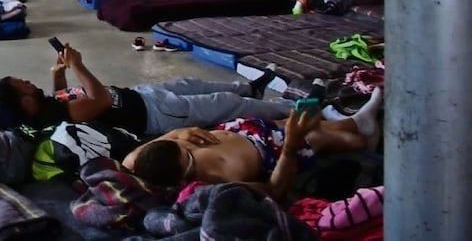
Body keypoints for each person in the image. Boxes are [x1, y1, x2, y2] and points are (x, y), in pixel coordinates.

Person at [125, 88, 383, 200]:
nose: (191, 148)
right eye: (189, 157)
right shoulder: (216, 186)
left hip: (248, 131)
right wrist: (291, 146)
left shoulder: (139, 161)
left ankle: (355, 123)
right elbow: (274, 190)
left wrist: (178, 134)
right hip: (273, 152)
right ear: (182, 181)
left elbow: (138, 155)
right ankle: (362, 132)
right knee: (323, 137)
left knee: (301, 123)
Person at [0, 44, 290, 138]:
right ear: (25, 102)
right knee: (224, 103)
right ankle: (289, 109)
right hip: (156, 113)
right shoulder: (63, 116)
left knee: (192, 84)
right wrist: (79, 66)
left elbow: (60, 98)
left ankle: (251, 88)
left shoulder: (45, 108)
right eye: (23, 84)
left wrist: (59, 75)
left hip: (141, 95)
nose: (29, 81)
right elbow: (100, 99)